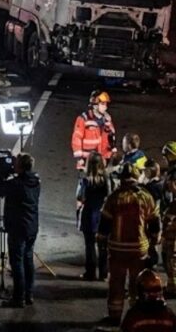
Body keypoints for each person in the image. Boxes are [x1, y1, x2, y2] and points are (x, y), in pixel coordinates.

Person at [99, 162, 162, 324]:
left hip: (117, 250)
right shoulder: (145, 196)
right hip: (139, 249)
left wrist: (102, 241)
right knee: (137, 285)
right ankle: (135, 316)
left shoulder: (114, 197)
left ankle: (114, 316)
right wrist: (154, 241)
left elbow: (104, 224)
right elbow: (154, 223)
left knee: (116, 284)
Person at [0, 152, 40, 308]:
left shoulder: (16, 184)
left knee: (17, 262)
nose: (13, 165)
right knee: (28, 259)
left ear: (21, 167)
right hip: (32, 227)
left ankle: (18, 298)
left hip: (18, 228)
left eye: (15, 163)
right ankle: (28, 294)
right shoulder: (35, 181)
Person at [78, 151, 112, 281]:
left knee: (90, 244)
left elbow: (81, 197)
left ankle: (90, 272)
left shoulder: (85, 179)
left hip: (88, 213)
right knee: (103, 246)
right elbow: (109, 195)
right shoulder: (105, 178)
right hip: (102, 214)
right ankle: (104, 273)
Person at [72, 90, 116, 171]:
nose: (105, 107)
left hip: (102, 159)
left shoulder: (107, 119)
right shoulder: (83, 119)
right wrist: (79, 157)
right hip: (87, 160)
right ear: (95, 106)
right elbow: (76, 138)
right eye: (102, 104)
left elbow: (111, 135)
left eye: (106, 104)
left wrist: (112, 151)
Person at [160, 174, 176, 295]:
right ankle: (172, 285)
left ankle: (173, 287)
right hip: (170, 237)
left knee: (172, 261)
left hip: (173, 238)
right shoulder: (173, 201)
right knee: (169, 260)